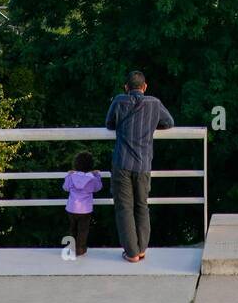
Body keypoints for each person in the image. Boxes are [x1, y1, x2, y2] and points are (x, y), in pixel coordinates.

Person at [105, 70, 174, 263]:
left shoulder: (119, 101)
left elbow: (109, 124)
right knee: (142, 205)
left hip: (122, 162)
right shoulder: (154, 103)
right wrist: (151, 126)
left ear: (126, 87)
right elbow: (169, 123)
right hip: (144, 163)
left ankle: (131, 252)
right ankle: (142, 249)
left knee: (124, 208)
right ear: (145, 87)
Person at [62, 150, 102, 257]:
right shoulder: (92, 179)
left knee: (72, 229)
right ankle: (81, 249)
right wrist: (97, 175)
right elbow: (98, 187)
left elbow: (65, 187)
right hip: (85, 210)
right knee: (83, 230)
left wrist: (68, 175)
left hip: (71, 208)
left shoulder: (71, 177)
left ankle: (72, 248)